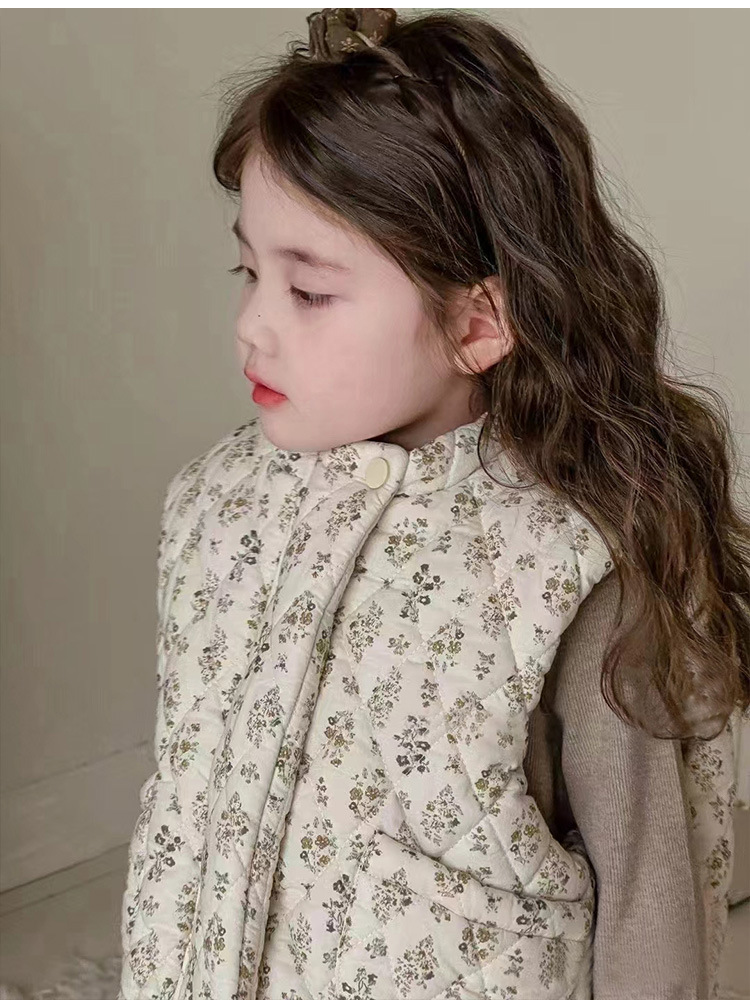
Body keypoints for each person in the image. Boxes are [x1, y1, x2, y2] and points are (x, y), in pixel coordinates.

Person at [118, 9, 748, 999]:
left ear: (477, 322)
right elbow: (192, 809)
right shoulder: (214, 509)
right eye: (248, 270)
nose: (251, 326)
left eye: (309, 292)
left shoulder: (568, 565)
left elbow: (648, 893)